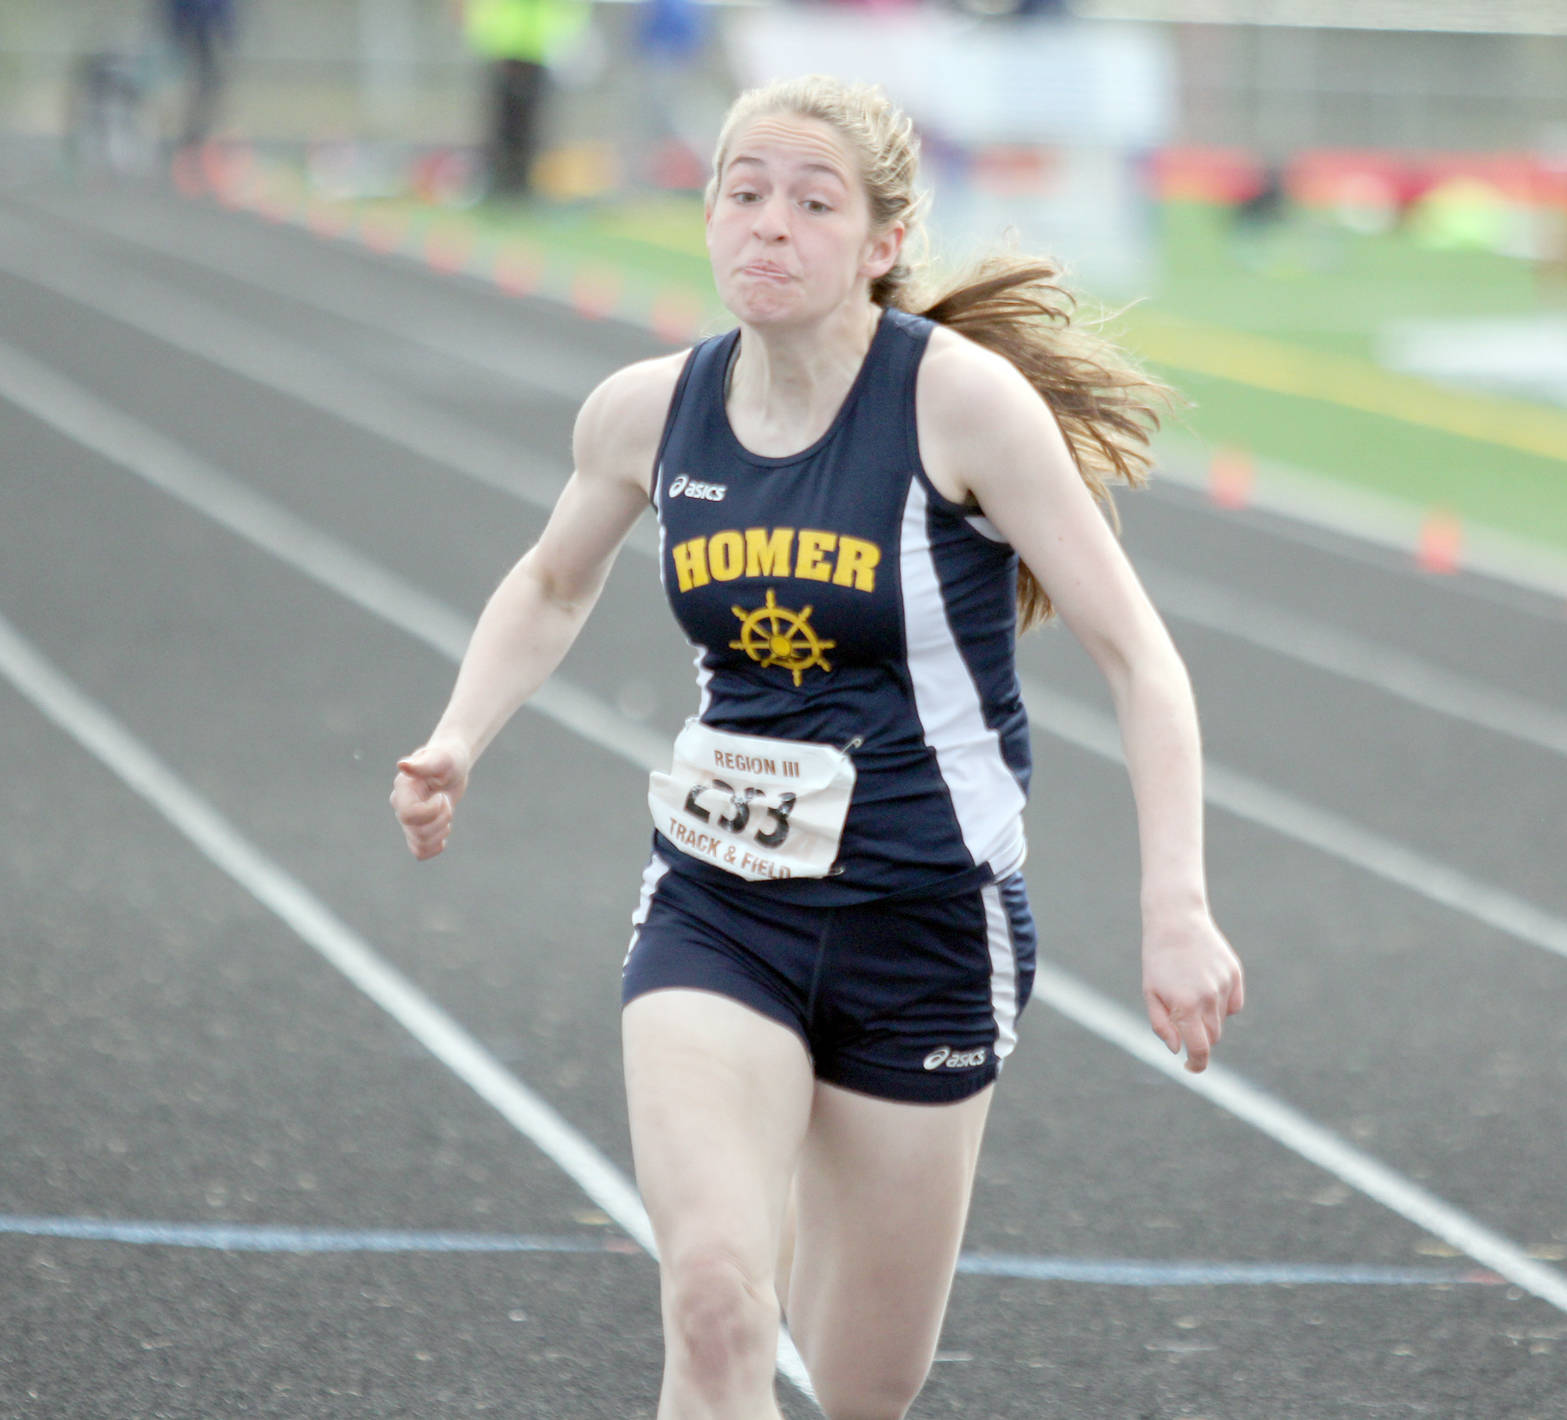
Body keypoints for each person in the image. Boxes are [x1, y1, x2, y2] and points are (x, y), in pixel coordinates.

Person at [391, 75, 1244, 1420]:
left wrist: (1177, 908)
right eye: (743, 195)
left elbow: (1142, 659)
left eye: (811, 201)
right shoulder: (647, 411)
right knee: (719, 1300)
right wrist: (457, 736)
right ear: (710, 214)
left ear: (882, 243)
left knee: (860, 1394)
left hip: (927, 929)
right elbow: (554, 583)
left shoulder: (960, 408)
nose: (769, 227)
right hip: (720, 908)